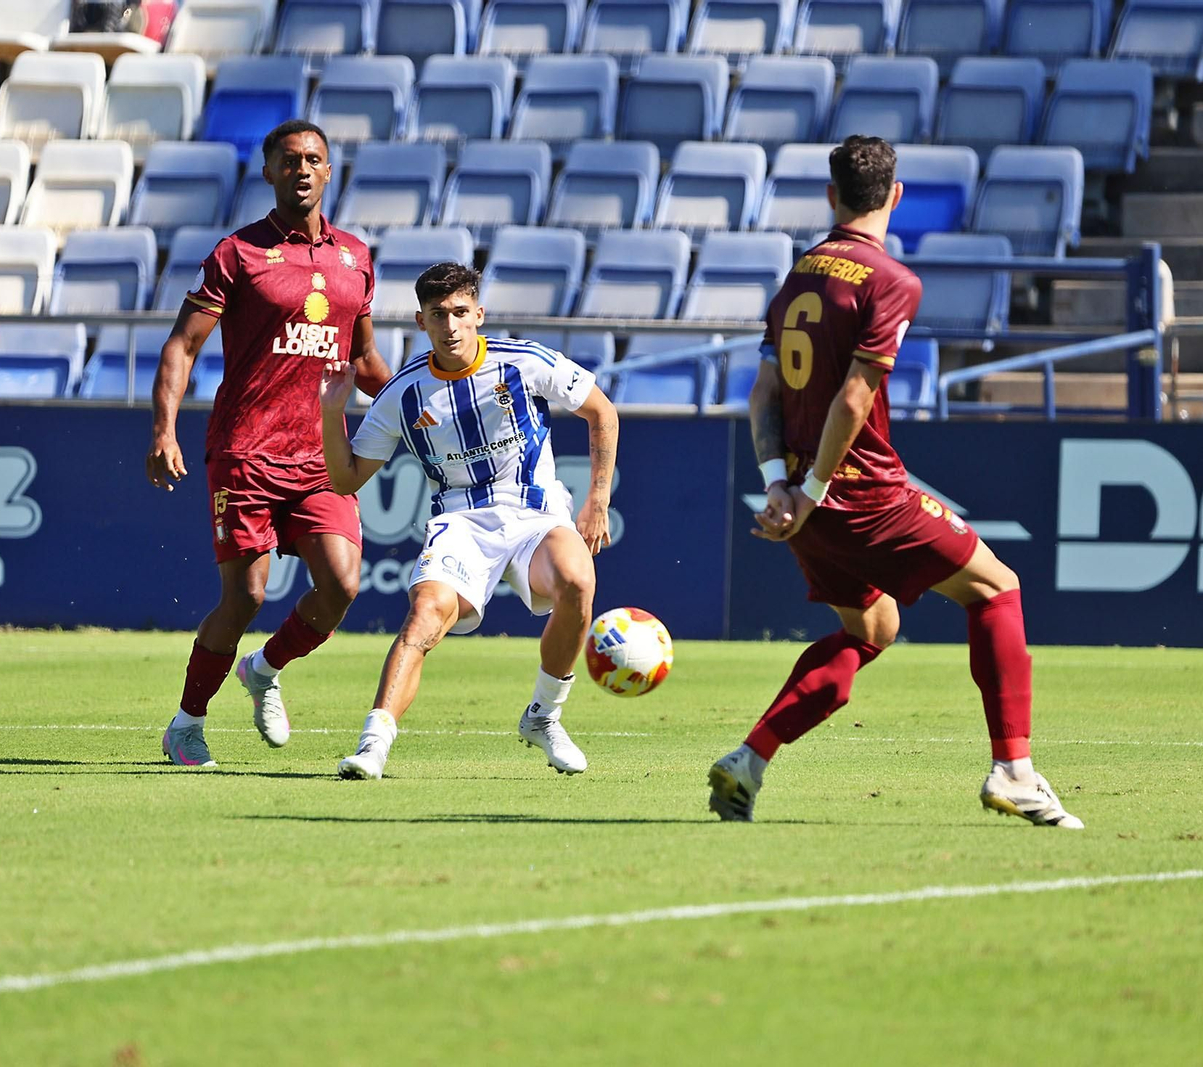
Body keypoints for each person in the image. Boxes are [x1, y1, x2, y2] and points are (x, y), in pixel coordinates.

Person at [707, 135, 1083, 829]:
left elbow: (762, 394)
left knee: (873, 624)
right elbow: (853, 401)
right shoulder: (891, 279)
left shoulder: (797, 276)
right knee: (997, 587)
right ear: (896, 196)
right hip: (861, 493)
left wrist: (781, 487)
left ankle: (749, 759)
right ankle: (1016, 771)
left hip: (803, 498)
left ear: (831, 196)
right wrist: (817, 488)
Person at [147, 120, 393, 768]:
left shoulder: (355, 259)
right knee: (247, 595)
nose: (302, 169)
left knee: (341, 584)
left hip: (320, 456)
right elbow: (183, 344)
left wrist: (414, 404)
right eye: (289, 160)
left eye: (314, 159)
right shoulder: (239, 253)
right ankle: (186, 723)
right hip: (246, 449)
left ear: (331, 170)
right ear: (268, 172)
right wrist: (163, 428)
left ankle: (265, 668)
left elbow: (364, 358)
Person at [320, 262, 619, 780]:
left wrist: (596, 499)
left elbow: (602, 411)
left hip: (534, 512)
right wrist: (331, 413)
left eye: (461, 313)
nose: (452, 325)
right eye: (439, 315)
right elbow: (346, 480)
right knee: (425, 614)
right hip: (459, 520)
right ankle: (373, 745)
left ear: (479, 314)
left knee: (576, 578)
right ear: (421, 321)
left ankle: (544, 717)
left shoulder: (523, 362)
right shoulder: (403, 394)